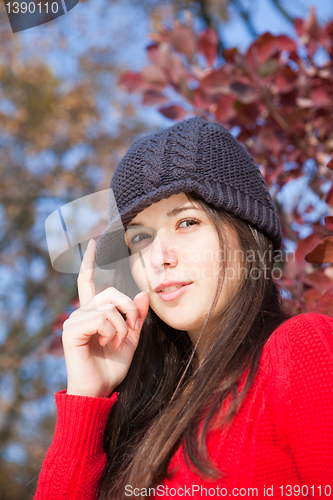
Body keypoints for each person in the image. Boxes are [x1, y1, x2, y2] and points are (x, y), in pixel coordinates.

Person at [34, 117, 333, 500]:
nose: (159, 257)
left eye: (187, 222)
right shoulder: (145, 416)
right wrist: (86, 399)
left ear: (247, 233)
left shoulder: (299, 350)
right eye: (139, 238)